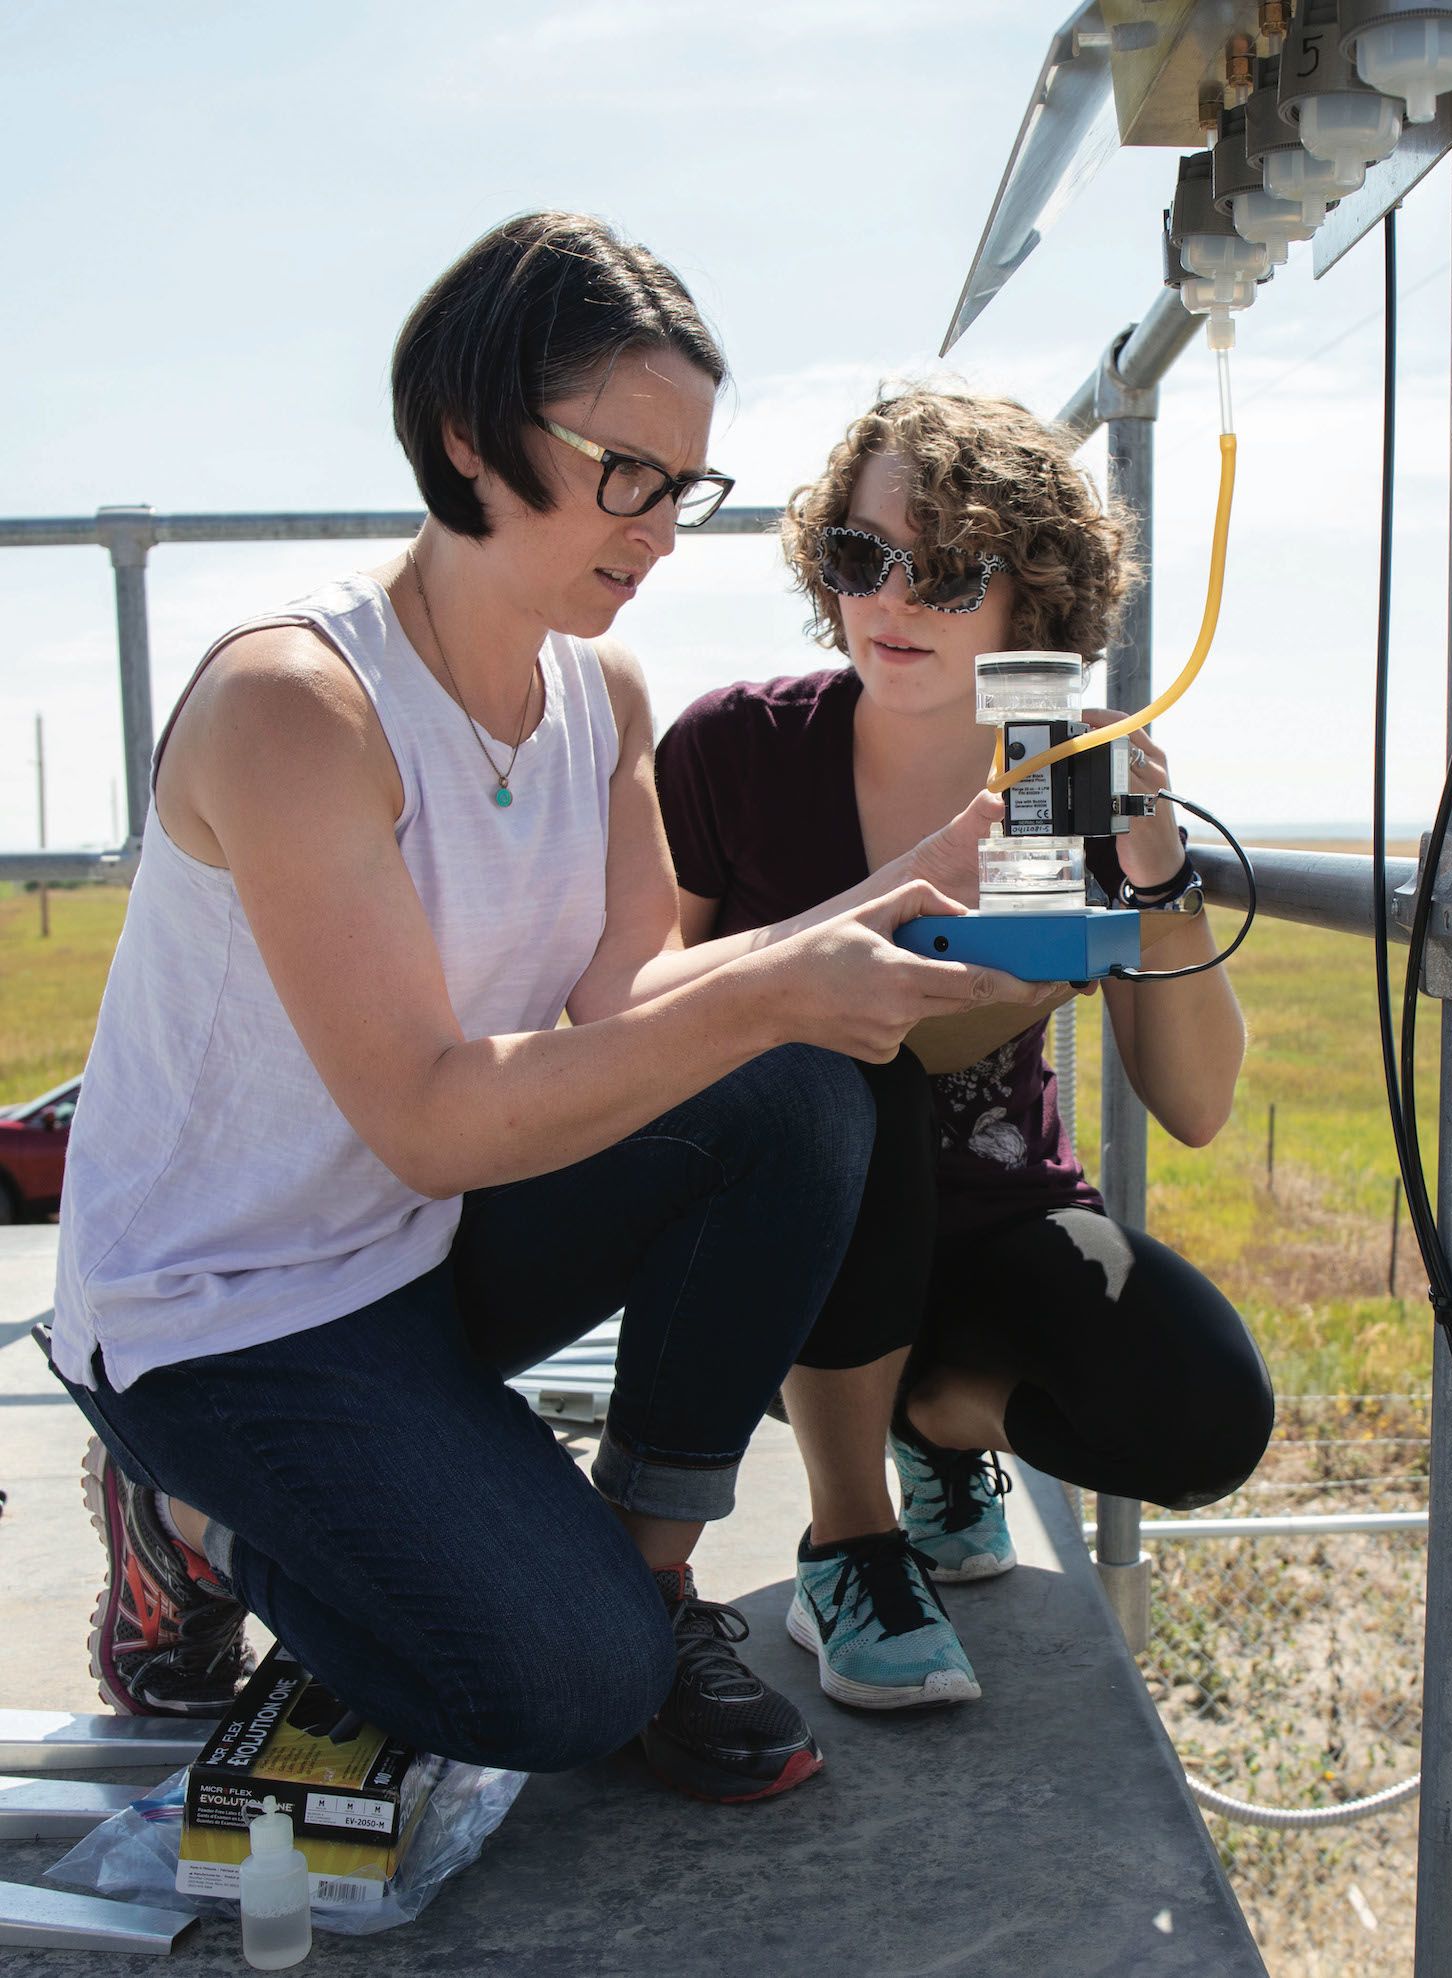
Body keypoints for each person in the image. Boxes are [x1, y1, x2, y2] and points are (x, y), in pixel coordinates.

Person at [46, 215, 1041, 1803]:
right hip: (225, 1316)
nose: (658, 528)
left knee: (796, 1091)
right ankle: (186, 1519)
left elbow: (633, 1001)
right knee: (553, 1684)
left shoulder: (602, 693)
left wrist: (912, 879)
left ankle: (651, 1576)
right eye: (622, 471)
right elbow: (431, 1108)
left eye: (685, 485)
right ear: (467, 437)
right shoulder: (296, 708)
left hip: (420, 1249)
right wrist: (787, 978)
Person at [654, 384, 1275, 1710]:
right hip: (784, 1248)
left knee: (1206, 1413)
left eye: (946, 570)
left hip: (996, 1229)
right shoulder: (734, 751)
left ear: (1032, 598)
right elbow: (646, 997)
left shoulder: (1074, 778)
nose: (894, 600)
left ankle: (933, 1419)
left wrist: (1155, 866)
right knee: (841, 1045)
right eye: (863, 556)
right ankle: (851, 1533)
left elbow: (1199, 1103)